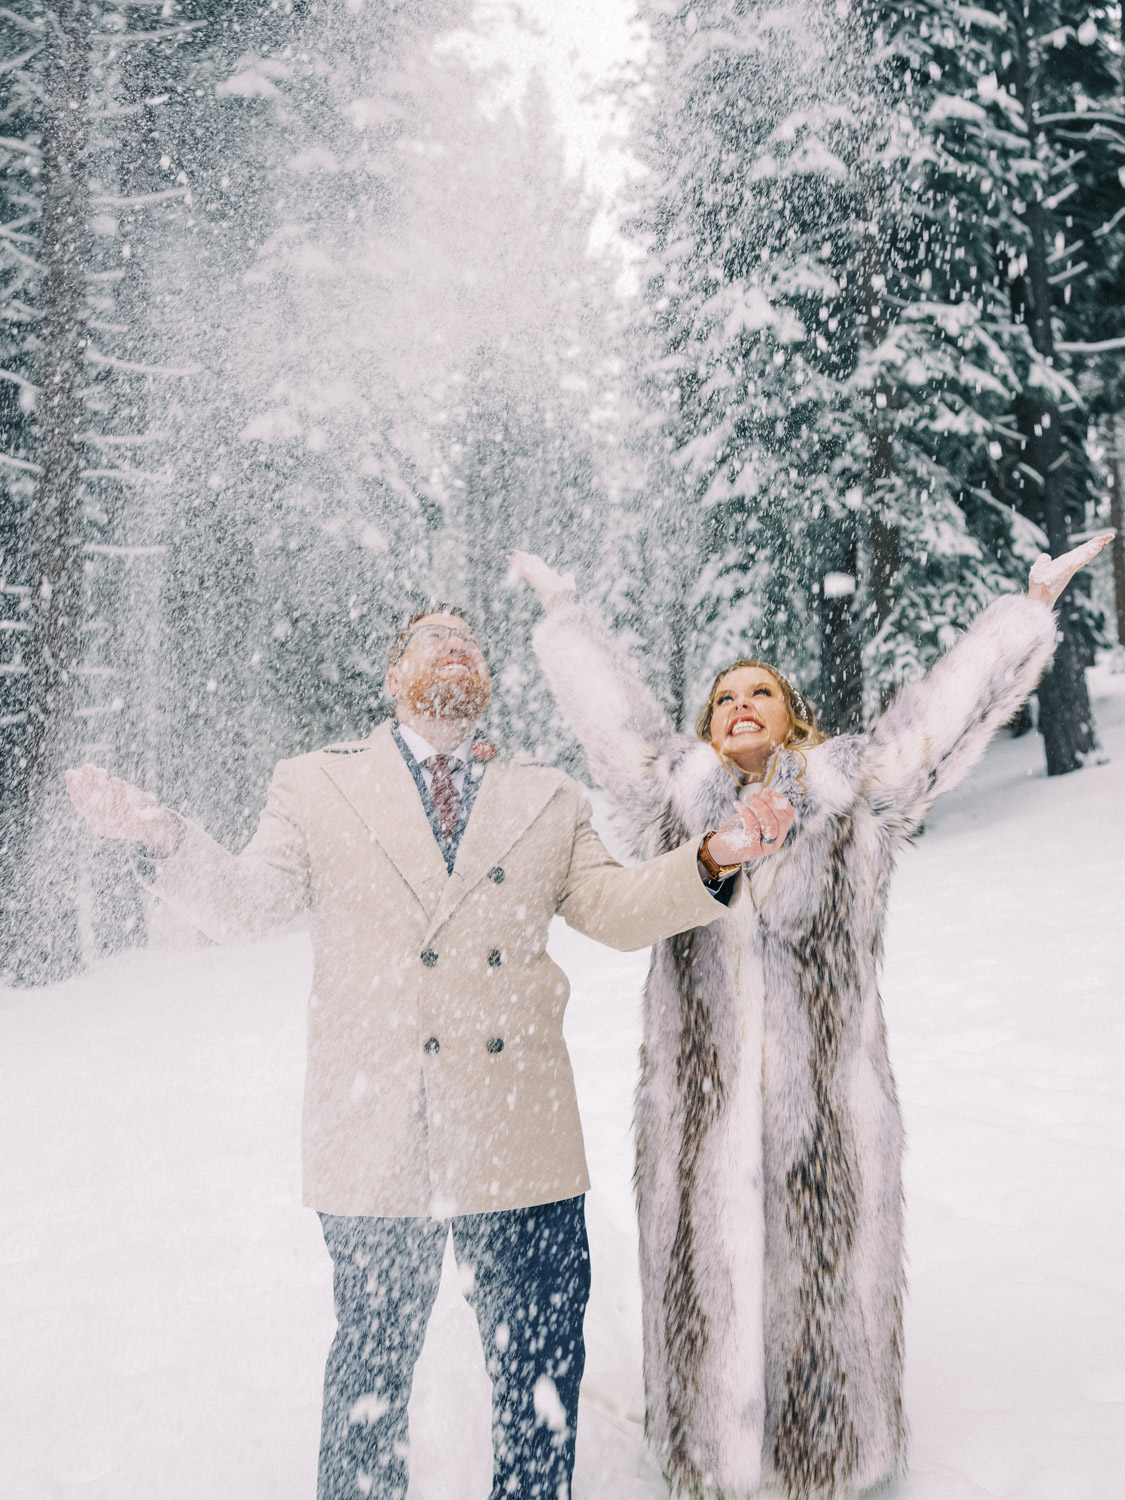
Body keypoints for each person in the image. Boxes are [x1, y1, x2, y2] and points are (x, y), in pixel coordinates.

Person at [64, 602, 797, 1500]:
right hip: (376, 1130)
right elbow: (245, 906)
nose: (455, 647)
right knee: (370, 1370)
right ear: (393, 676)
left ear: (483, 681)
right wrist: (162, 836)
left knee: (537, 1377)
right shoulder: (315, 786)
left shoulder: (548, 796)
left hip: (518, 1132)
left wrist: (713, 855)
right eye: (432, 638)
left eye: (468, 641)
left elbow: (614, 910)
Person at [510, 534, 1111, 1500]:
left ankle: (836, 1462)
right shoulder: (673, 801)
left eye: (761, 693)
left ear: (793, 719)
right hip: (697, 1115)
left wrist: (1025, 610)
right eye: (723, 698)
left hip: (827, 1111)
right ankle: (704, 1454)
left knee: (823, 1284)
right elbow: (613, 725)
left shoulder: (853, 795)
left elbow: (940, 719)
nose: (740, 705)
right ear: (707, 726)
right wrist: (564, 620)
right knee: (702, 1274)